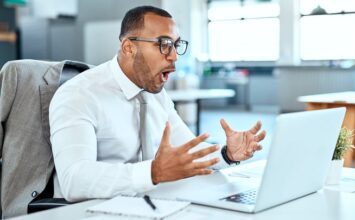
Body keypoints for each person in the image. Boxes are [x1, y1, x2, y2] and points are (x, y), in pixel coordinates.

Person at [49, 5, 266, 202]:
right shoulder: (79, 94)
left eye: (176, 45)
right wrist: (153, 172)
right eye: (164, 44)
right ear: (128, 48)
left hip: (151, 202)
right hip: (93, 209)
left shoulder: (154, 93)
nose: (174, 57)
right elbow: (74, 180)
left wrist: (228, 154)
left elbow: (189, 152)